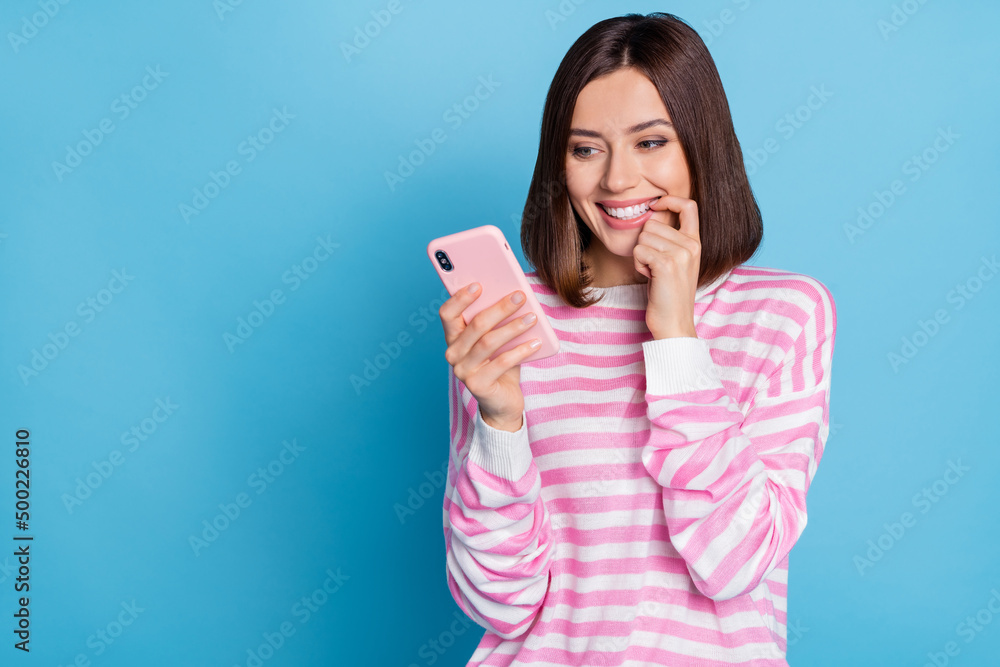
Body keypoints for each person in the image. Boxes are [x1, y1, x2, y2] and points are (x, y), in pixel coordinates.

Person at [437, 12, 837, 666]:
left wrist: (676, 336)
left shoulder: (784, 314)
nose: (618, 180)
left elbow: (733, 563)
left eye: (651, 142)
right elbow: (499, 601)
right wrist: (500, 420)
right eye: (586, 148)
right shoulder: (512, 318)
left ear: (699, 146)